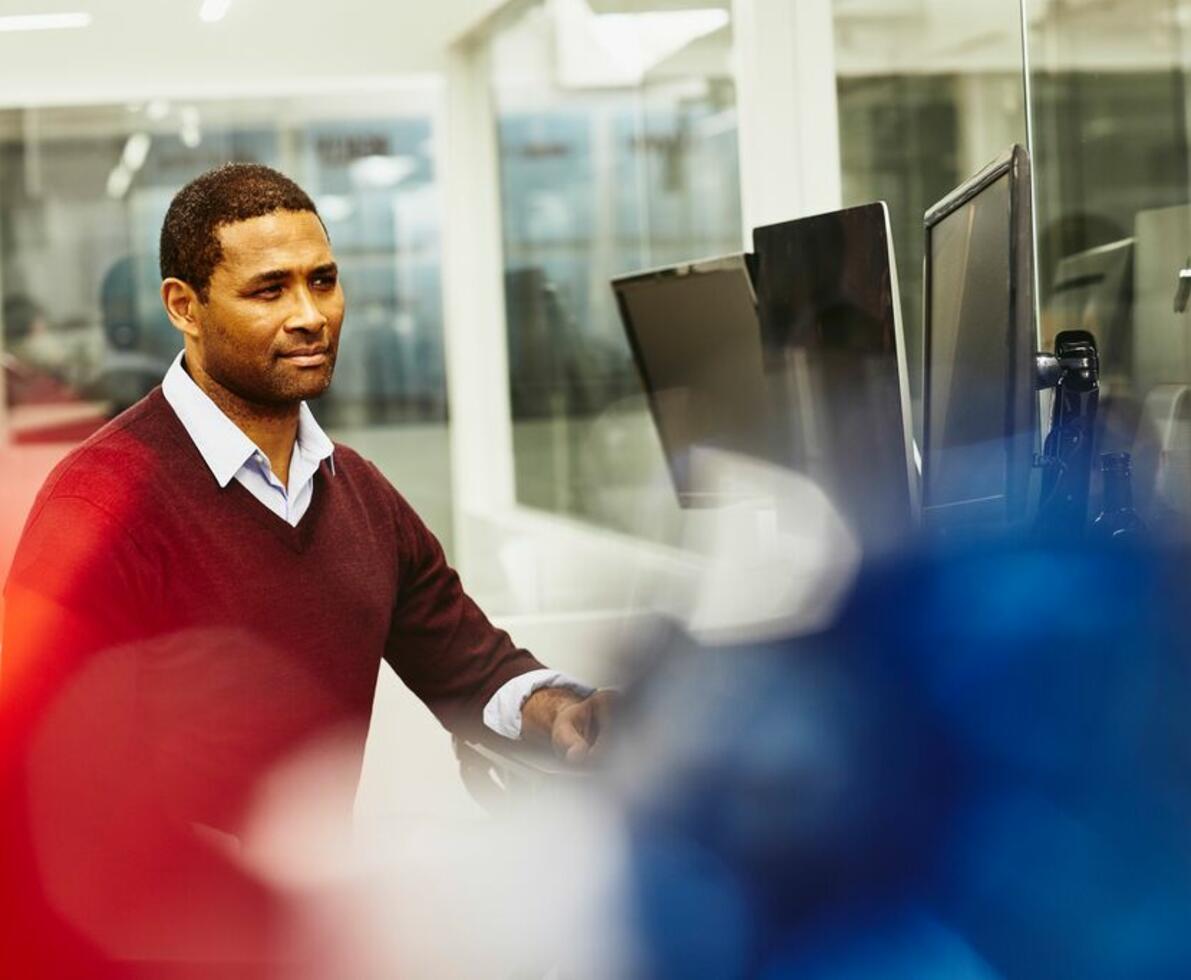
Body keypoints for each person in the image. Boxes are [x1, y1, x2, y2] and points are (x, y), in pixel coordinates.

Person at [0, 165, 614, 971]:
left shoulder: (356, 491)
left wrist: (558, 709)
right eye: (268, 291)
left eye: (322, 281)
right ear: (183, 306)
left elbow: (471, 666)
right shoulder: (102, 502)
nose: (309, 315)